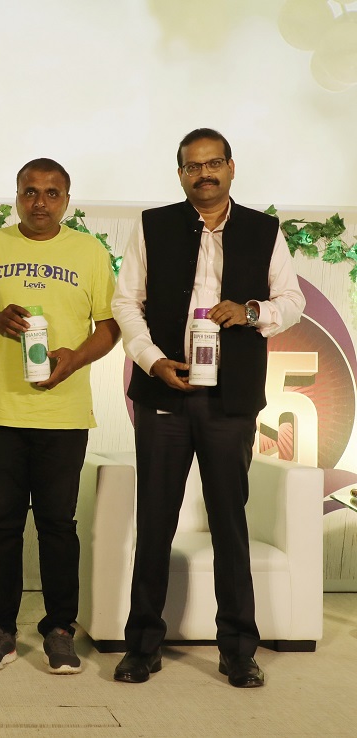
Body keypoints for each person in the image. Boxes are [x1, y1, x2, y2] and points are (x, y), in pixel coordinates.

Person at [110, 128, 305, 688]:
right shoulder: (153, 225)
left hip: (231, 399)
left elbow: (292, 301)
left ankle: (238, 649)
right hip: (165, 393)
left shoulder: (263, 230)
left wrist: (251, 311)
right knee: (155, 523)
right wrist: (152, 361)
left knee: (229, 524)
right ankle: (141, 646)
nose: (204, 174)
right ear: (180, 174)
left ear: (231, 167)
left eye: (213, 163)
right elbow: (127, 302)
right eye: (193, 167)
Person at [0, 159, 119, 675]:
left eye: (52, 193)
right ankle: (1, 629)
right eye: (30, 191)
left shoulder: (89, 251)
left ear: (67, 200)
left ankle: (59, 629)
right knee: (3, 523)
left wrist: (76, 358)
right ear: (16, 196)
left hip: (63, 412)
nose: (40, 202)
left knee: (57, 525)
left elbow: (109, 325)